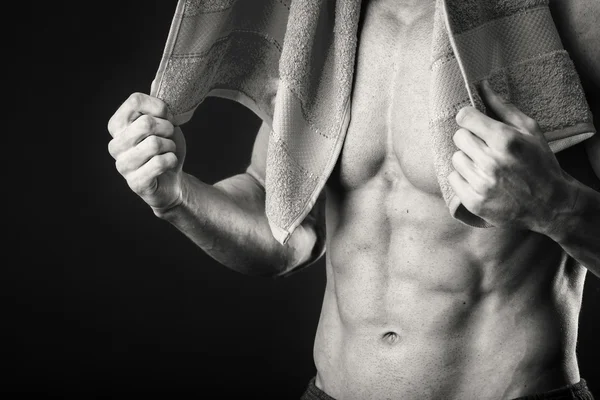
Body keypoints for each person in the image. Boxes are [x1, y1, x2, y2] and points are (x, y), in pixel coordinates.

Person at [107, 0, 599, 398]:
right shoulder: (322, 28)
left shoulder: (565, 17)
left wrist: (554, 204)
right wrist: (175, 198)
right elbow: (285, 226)